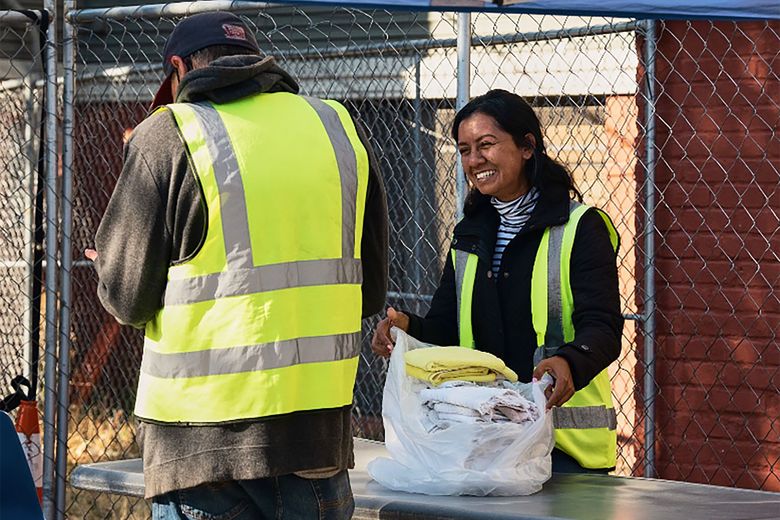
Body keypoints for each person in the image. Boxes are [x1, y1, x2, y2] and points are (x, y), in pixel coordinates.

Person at [88, 11, 388, 519]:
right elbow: (370, 292)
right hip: (315, 444)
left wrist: (111, 268)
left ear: (179, 68)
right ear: (256, 62)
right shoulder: (336, 127)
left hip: (202, 452)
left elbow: (125, 297)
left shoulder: (169, 134)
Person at [372, 89, 622, 474]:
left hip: (564, 452)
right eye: (464, 150)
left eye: (486, 145)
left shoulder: (579, 227)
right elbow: (446, 326)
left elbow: (603, 327)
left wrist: (571, 360)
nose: (474, 160)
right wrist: (407, 326)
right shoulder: (470, 234)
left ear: (526, 147)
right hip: (485, 441)